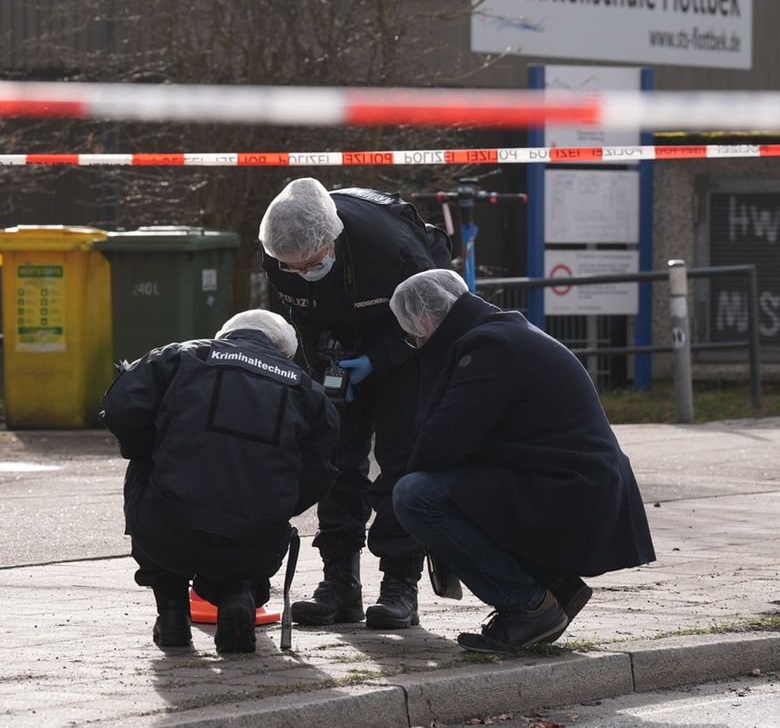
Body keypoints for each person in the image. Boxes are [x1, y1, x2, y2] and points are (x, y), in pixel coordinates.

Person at [388, 269, 656, 653]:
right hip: (576, 484)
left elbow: (442, 441)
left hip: (571, 491)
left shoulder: (488, 348)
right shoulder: (502, 332)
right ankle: (553, 585)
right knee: (450, 487)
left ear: (427, 321)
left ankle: (528, 605)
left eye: (413, 334)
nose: (416, 343)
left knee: (416, 495)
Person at [258, 177, 452, 630]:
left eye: (310, 263)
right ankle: (339, 583)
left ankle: (399, 583)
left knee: (399, 457)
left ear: (331, 241)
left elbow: (433, 318)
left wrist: (378, 359)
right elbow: (301, 319)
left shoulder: (391, 246)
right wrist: (323, 375)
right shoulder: (279, 254)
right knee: (335, 459)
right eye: (294, 267)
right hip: (342, 344)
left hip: (408, 341)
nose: (302, 271)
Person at [100, 309, 339, 654]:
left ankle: (172, 615)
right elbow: (322, 470)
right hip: (255, 541)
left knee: (144, 465)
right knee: (251, 509)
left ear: (225, 334)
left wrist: (150, 449)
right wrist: (276, 507)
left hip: (167, 529)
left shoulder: (181, 356)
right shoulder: (306, 389)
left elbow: (119, 406)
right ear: (282, 350)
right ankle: (239, 594)